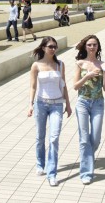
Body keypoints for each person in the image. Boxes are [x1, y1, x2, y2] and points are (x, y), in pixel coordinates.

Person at [27, 36, 72, 187]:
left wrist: (68, 104)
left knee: (54, 138)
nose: (53, 49)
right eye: (51, 46)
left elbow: (64, 85)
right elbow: (33, 87)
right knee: (40, 137)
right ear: (43, 48)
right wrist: (30, 104)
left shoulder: (60, 65)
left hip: (57, 105)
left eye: (55, 47)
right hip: (41, 104)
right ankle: (40, 164)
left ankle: (52, 174)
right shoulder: (36, 65)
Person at [73, 35, 105, 185]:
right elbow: (75, 86)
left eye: (94, 45)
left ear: (98, 47)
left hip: (98, 103)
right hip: (82, 102)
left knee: (95, 138)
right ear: (85, 47)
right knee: (83, 139)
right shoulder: (80, 63)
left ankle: (87, 156)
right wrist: (87, 76)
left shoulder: (103, 64)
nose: (92, 47)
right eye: (89, 45)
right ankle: (86, 173)